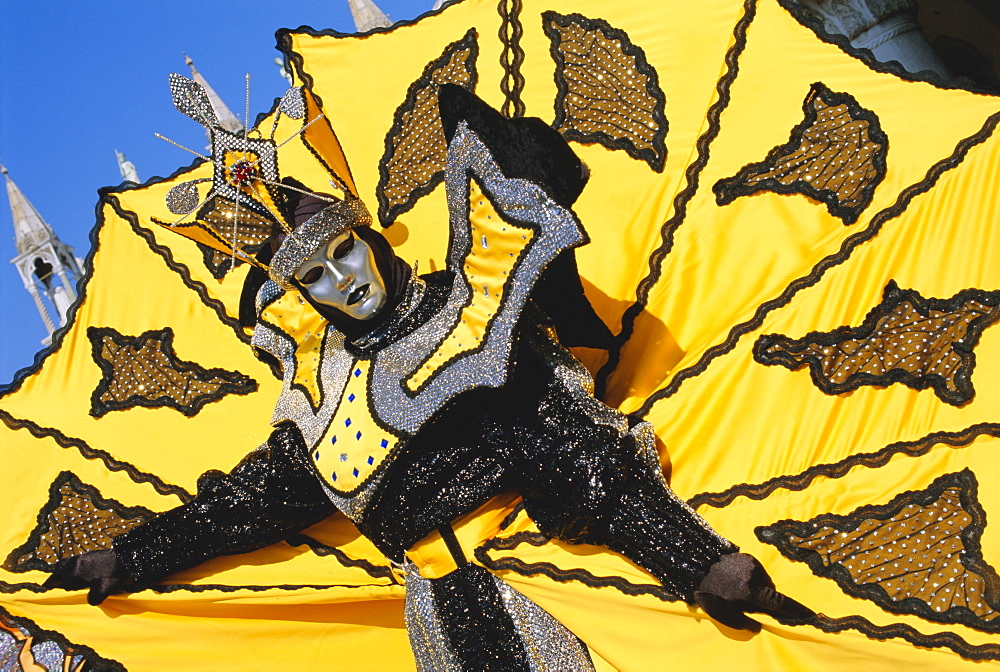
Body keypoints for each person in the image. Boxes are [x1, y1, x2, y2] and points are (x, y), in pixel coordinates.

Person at [45, 85, 812, 670]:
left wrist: (695, 560)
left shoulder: (466, 309)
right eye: (315, 276)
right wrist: (129, 557)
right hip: (440, 622)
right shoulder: (314, 393)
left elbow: (575, 455)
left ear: (369, 240)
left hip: (546, 575)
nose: (342, 281)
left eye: (344, 252)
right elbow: (243, 509)